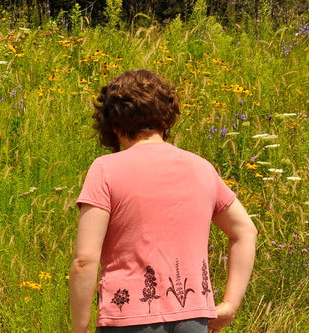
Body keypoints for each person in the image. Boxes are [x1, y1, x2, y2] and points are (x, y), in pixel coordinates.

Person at [69, 69, 257, 333]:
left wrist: (80, 329)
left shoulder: (105, 170)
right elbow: (246, 231)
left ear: (112, 124)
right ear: (166, 118)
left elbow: (84, 260)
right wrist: (229, 304)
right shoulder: (201, 168)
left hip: (126, 320)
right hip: (193, 320)